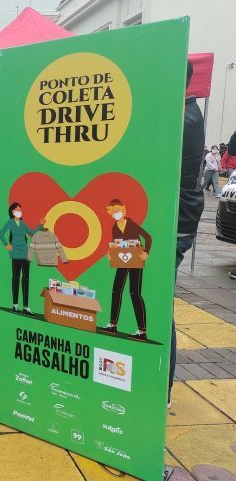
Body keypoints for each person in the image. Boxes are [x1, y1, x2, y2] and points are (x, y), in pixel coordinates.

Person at [169, 61, 205, 407]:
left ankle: (160, 387)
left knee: (157, 304)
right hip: (173, 218)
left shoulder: (183, 117)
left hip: (174, 222)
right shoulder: (183, 112)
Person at [100, 200, 151, 341]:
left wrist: (146, 252)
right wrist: (111, 253)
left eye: (118, 210)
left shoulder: (131, 224)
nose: (116, 214)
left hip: (135, 260)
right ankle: (112, 325)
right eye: (113, 211)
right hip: (122, 260)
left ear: (123, 210)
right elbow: (116, 244)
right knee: (116, 290)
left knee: (134, 292)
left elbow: (147, 237)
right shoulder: (114, 227)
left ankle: (142, 331)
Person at [0, 203, 45, 316]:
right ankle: (15, 305)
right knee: (16, 278)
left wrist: (40, 225)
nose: (19, 212)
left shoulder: (23, 223)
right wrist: (6, 245)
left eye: (20, 210)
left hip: (25, 253)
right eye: (17, 210)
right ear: (12, 212)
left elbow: (32, 233)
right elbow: (1, 234)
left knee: (26, 279)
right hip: (15, 253)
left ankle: (26, 307)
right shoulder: (10, 223)